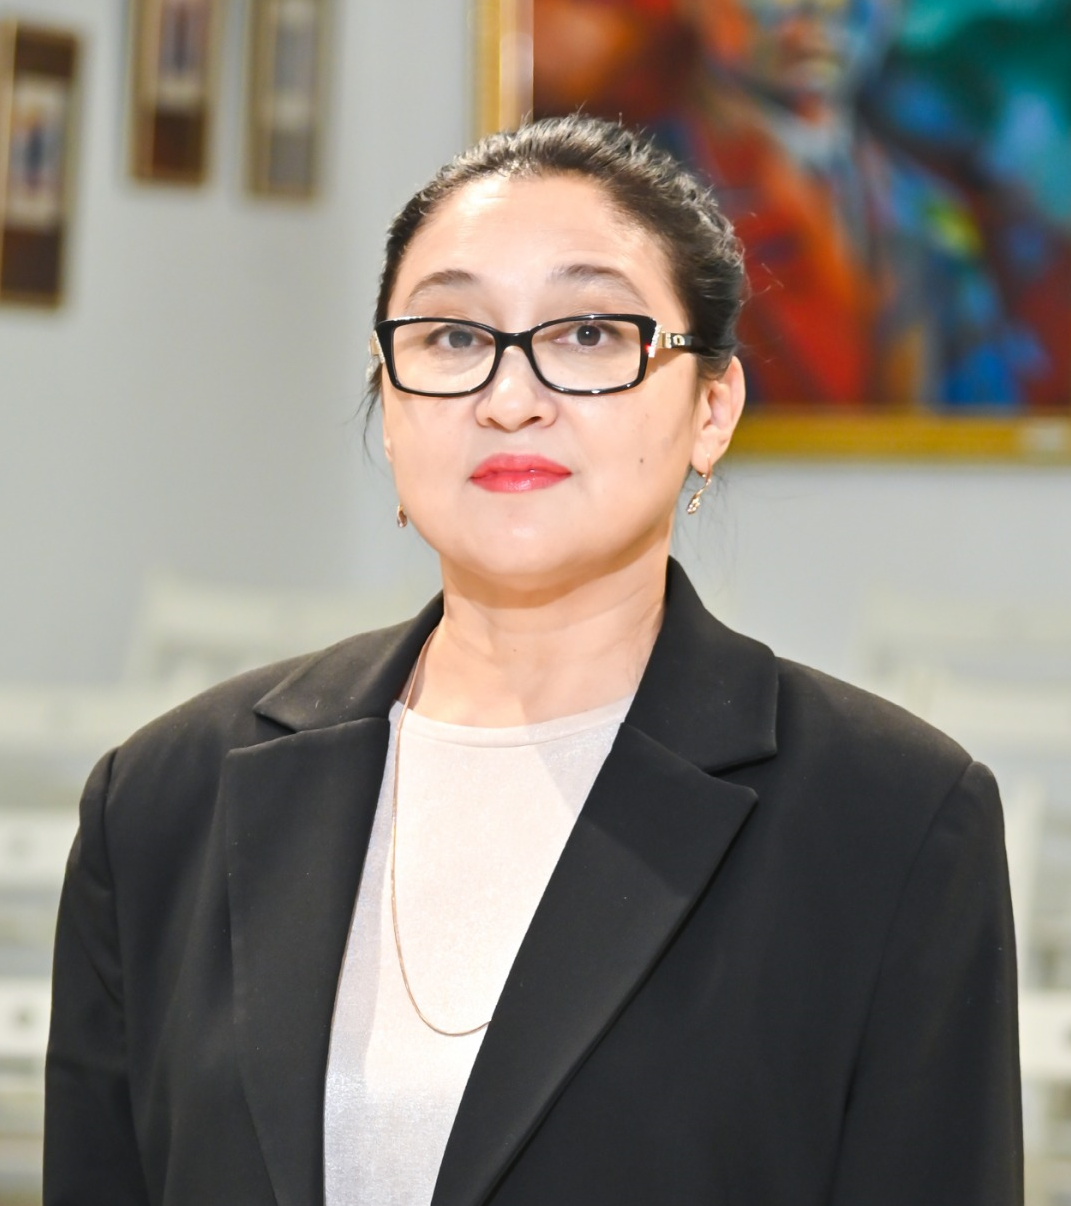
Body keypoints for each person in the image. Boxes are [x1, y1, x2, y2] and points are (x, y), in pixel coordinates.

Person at [44, 115, 1022, 1205]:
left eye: (590, 333)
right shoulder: (165, 801)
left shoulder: (891, 818)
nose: (510, 398)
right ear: (388, 397)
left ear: (712, 407)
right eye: (452, 337)